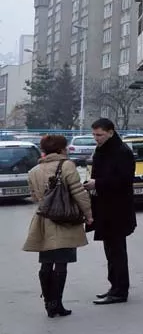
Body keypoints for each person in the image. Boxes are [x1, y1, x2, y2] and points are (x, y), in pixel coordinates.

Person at [23, 135, 94, 318]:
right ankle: (58, 303)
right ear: (62, 149)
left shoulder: (34, 171)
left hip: (44, 221)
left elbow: (34, 197)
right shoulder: (67, 166)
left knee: (46, 263)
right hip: (66, 219)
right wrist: (88, 214)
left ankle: (49, 303)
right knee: (61, 264)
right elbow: (78, 193)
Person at [83, 118, 137, 305]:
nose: (96, 138)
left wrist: (97, 183)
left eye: (99, 135)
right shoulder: (103, 150)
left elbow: (124, 180)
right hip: (105, 208)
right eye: (94, 135)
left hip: (117, 210)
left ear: (111, 132)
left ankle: (120, 291)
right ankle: (114, 286)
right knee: (110, 251)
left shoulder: (122, 152)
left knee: (117, 252)